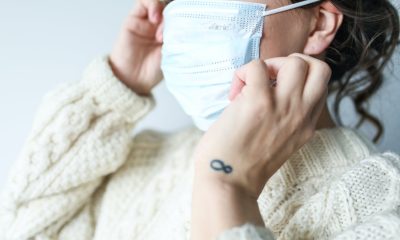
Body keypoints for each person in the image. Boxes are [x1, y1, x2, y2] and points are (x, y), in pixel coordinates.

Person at [0, 0, 399, 239]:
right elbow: (20, 228)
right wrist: (115, 91)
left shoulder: (383, 208)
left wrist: (226, 186)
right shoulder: (145, 158)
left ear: (319, 23)